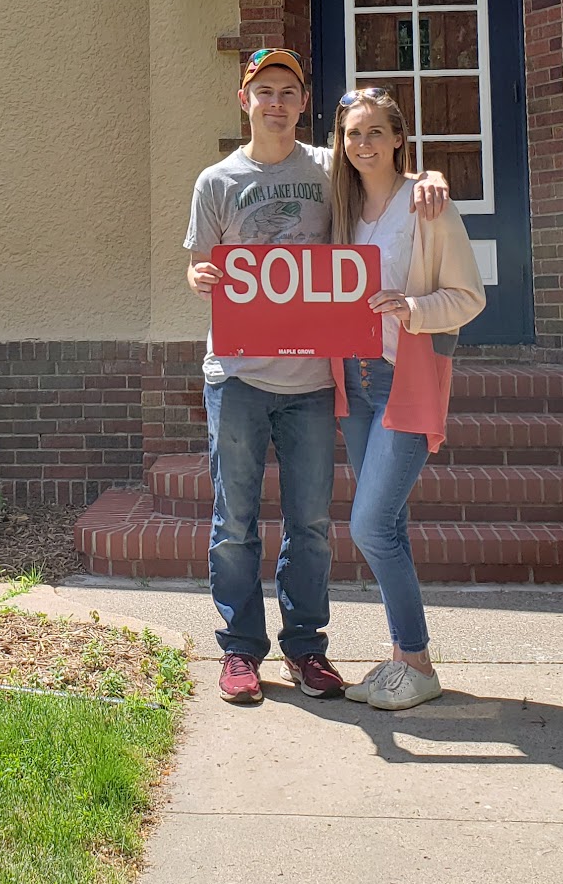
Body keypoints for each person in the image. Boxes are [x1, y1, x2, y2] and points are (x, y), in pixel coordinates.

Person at [185, 48, 447, 705]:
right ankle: (240, 651)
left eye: (288, 91)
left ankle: (306, 648)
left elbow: (384, 173)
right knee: (235, 522)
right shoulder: (215, 181)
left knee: (309, 525)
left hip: (311, 382)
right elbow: (198, 264)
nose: (275, 102)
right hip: (237, 375)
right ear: (244, 101)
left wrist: (430, 177)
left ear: (303, 103)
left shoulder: (330, 169)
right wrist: (199, 276)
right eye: (263, 91)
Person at [327, 85, 486, 710]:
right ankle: (401, 658)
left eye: (376, 132)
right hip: (355, 380)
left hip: (405, 376)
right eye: (353, 133)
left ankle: (417, 661)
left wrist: (413, 308)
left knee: (369, 524)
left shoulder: (427, 206)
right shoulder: (338, 207)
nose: (363, 144)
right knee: (388, 523)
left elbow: (468, 297)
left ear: (398, 139)